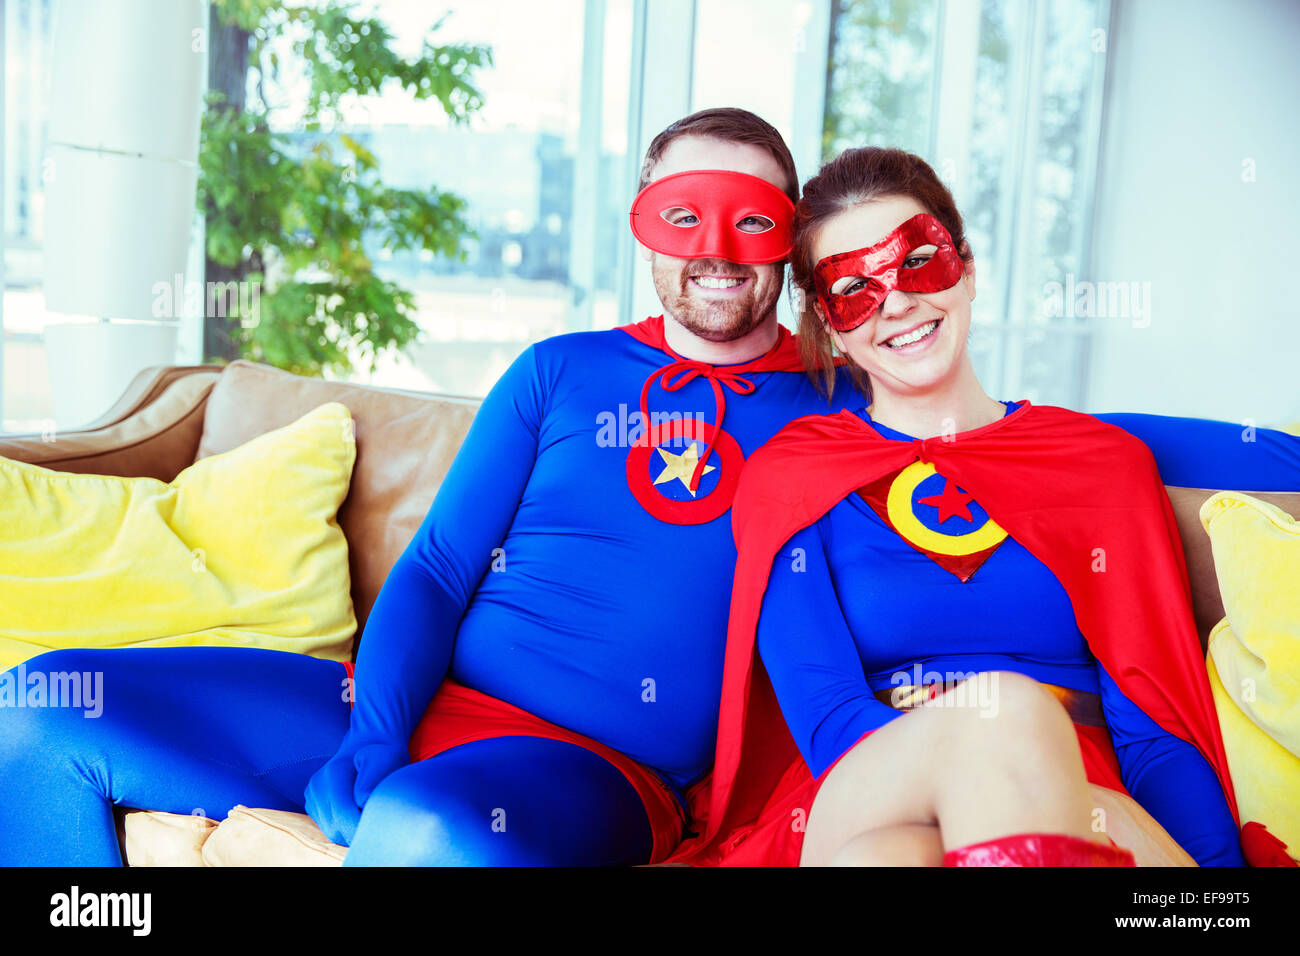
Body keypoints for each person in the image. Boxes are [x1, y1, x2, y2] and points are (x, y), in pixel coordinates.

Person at [1, 116, 1295, 867]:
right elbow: (444, 572)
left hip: (597, 772)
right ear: (645, 225)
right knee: (39, 706)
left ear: (789, 247)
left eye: (752, 224)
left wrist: (1271, 452)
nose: (718, 254)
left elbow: (1063, 440)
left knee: (432, 832)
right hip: (401, 702)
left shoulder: (843, 412)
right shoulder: (561, 374)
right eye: (689, 216)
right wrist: (371, 732)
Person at [671, 146, 1299, 868]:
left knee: (888, 860)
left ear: (966, 266)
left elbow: (1155, 729)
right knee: (1004, 715)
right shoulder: (793, 472)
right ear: (827, 319)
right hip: (852, 783)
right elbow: (829, 717)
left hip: (1066, 785)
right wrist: (987, 743)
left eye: (917, 263)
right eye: (854, 287)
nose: (898, 302)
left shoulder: (1095, 461)